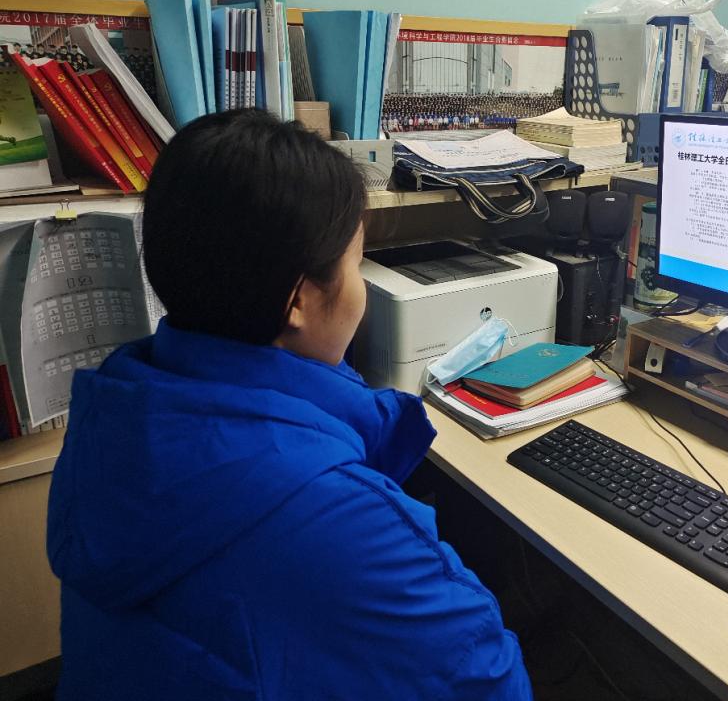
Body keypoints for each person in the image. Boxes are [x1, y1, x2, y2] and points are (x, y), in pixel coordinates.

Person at [46, 109, 532, 700]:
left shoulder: (114, 417)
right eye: (356, 265)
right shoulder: (340, 517)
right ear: (298, 301)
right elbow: (491, 681)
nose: (361, 289)